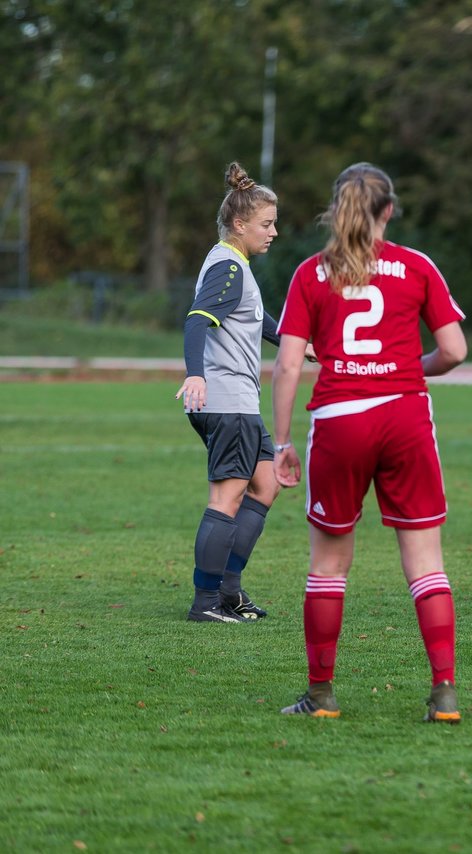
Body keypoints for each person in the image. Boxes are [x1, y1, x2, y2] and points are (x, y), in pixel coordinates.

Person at [272, 162, 469, 722]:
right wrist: (412, 368)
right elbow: (454, 350)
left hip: (340, 419)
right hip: (405, 415)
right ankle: (445, 692)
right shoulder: (416, 266)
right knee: (426, 562)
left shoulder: (312, 273)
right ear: (388, 210)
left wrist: (280, 441)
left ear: (338, 209)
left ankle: (322, 696)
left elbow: (288, 364)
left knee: (329, 565)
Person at [175, 162, 281, 623]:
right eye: (266, 223)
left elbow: (256, 320)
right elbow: (198, 319)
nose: (273, 231)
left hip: (238, 401)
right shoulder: (228, 266)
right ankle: (205, 602)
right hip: (226, 400)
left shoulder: (235, 264)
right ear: (240, 225)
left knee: (266, 484)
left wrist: (300, 343)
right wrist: (195, 374)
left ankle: (229, 592)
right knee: (228, 496)